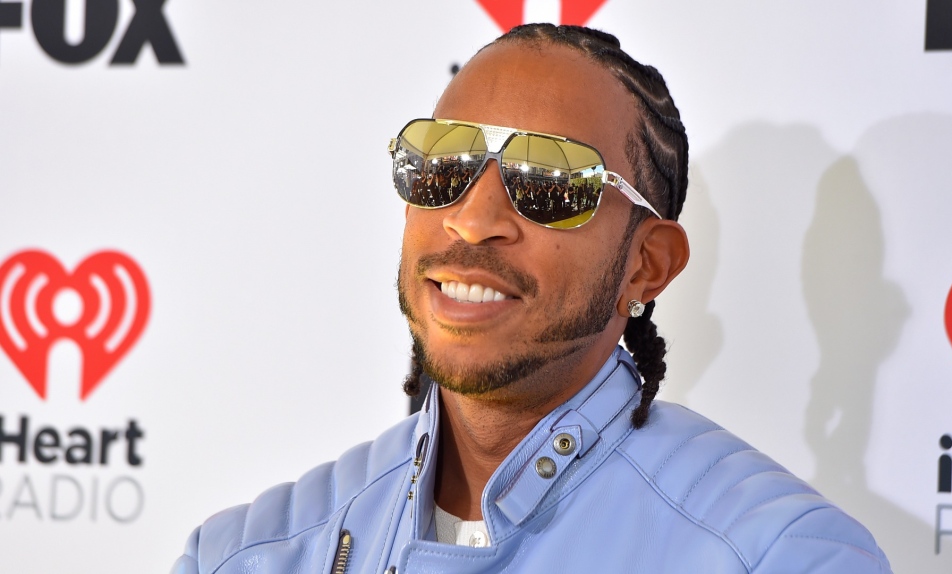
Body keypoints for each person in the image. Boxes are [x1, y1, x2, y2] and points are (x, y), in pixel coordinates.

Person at [172, 24, 891, 574]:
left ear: (647, 266)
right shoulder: (247, 555)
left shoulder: (779, 556)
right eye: (442, 167)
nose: (473, 219)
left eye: (550, 184)